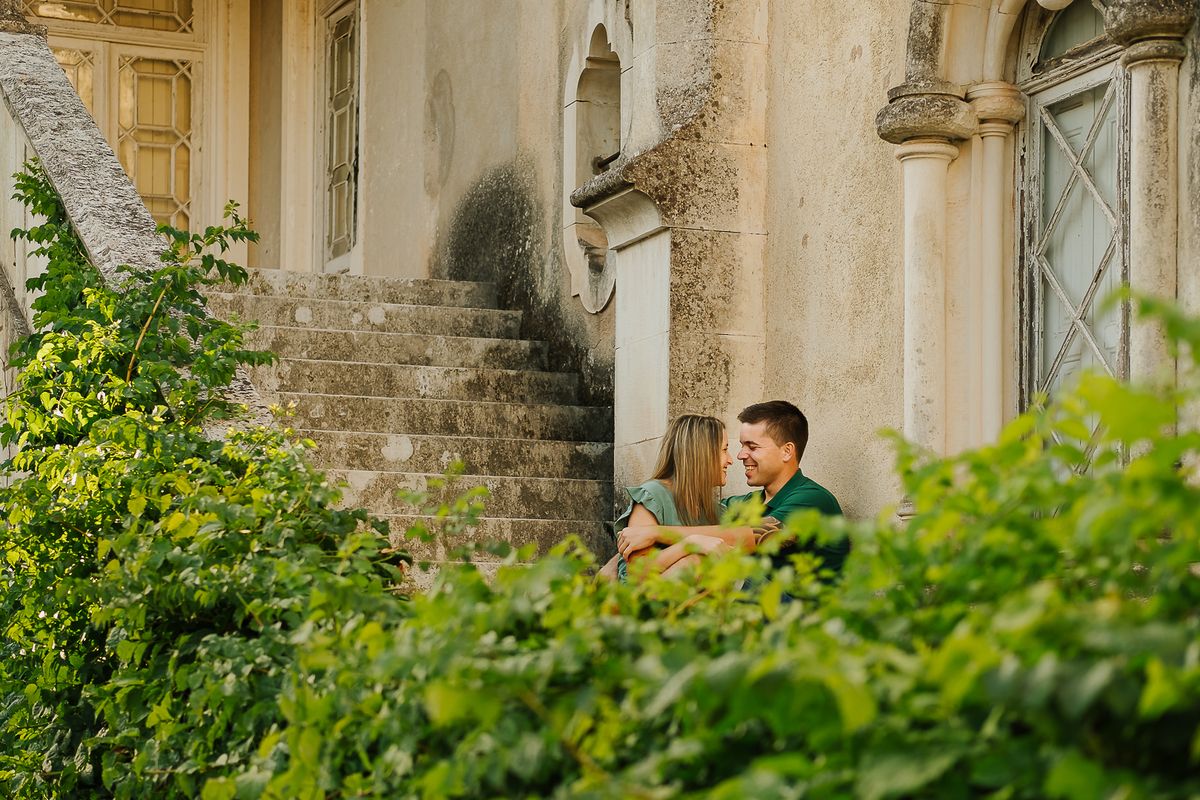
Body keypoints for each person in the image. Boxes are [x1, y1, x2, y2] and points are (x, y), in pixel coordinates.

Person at [615, 400, 849, 580]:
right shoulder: (741, 505)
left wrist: (656, 533)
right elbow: (686, 509)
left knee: (697, 562)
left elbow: (753, 536)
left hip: (802, 620)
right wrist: (616, 562)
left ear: (787, 451)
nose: (739, 456)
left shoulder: (812, 500)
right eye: (738, 446)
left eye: (752, 446)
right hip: (751, 615)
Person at [597, 414, 735, 582]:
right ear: (701, 453)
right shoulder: (653, 496)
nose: (730, 460)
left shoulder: (717, 512)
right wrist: (690, 543)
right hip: (644, 599)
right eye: (725, 449)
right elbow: (638, 572)